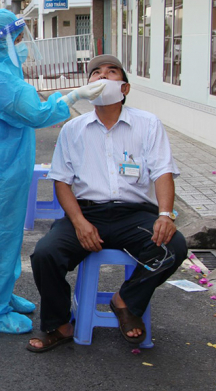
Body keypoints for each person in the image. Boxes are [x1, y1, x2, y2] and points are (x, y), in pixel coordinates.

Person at [0, 9, 105, 335]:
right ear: (2, 41)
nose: (23, 44)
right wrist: (75, 95)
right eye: (19, 38)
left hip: (0, 164)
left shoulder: (0, 64)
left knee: (6, 236)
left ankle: (1, 295)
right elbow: (37, 113)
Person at [27, 54, 188, 352]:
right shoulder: (73, 129)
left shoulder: (148, 124)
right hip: (87, 213)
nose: (102, 77)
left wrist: (165, 214)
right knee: (44, 255)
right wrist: (78, 222)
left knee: (174, 246)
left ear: (124, 88)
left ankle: (125, 301)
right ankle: (59, 324)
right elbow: (61, 182)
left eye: (111, 72)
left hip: (134, 214)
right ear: (88, 86)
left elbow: (164, 171)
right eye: (95, 73)